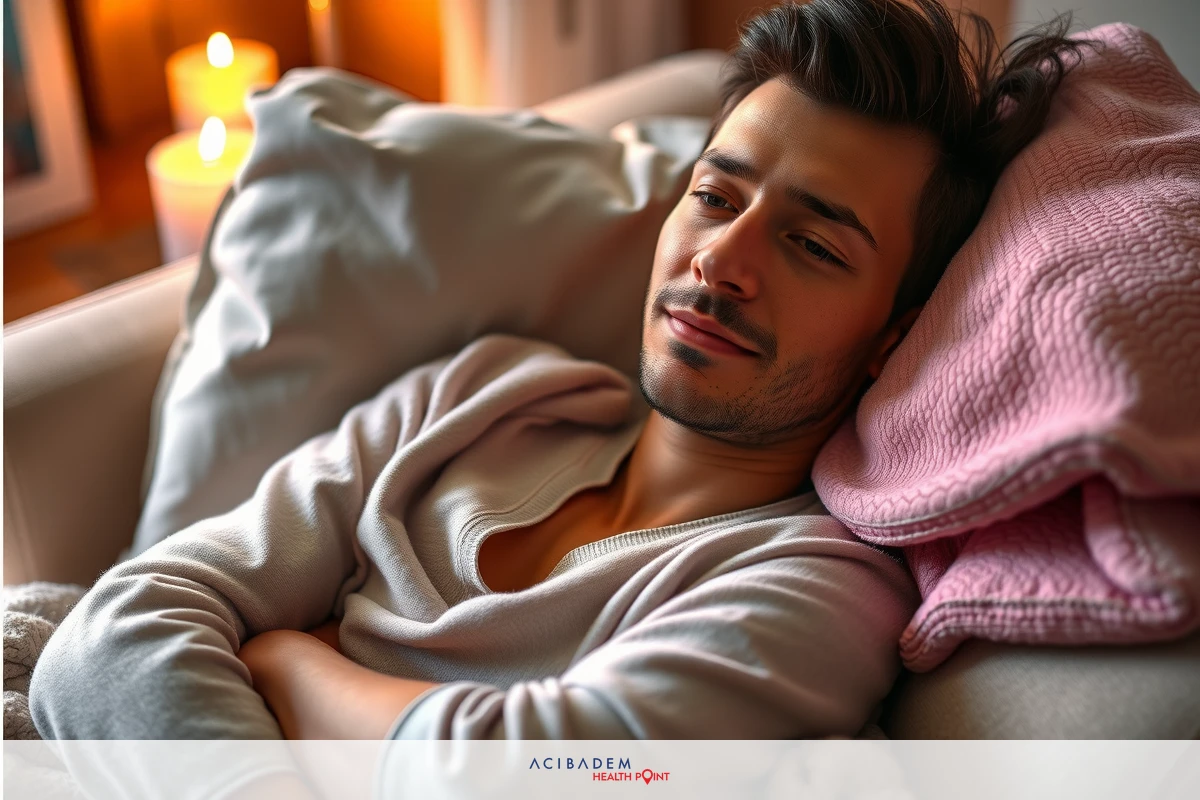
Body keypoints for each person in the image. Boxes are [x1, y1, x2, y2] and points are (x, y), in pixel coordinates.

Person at [29, 0, 1093, 795]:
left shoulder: (817, 587)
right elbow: (114, 630)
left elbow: (536, 776)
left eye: (813, 243)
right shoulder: (486, 390)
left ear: (891, 338)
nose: (722, 258)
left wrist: (284, 657)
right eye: (715, 195)